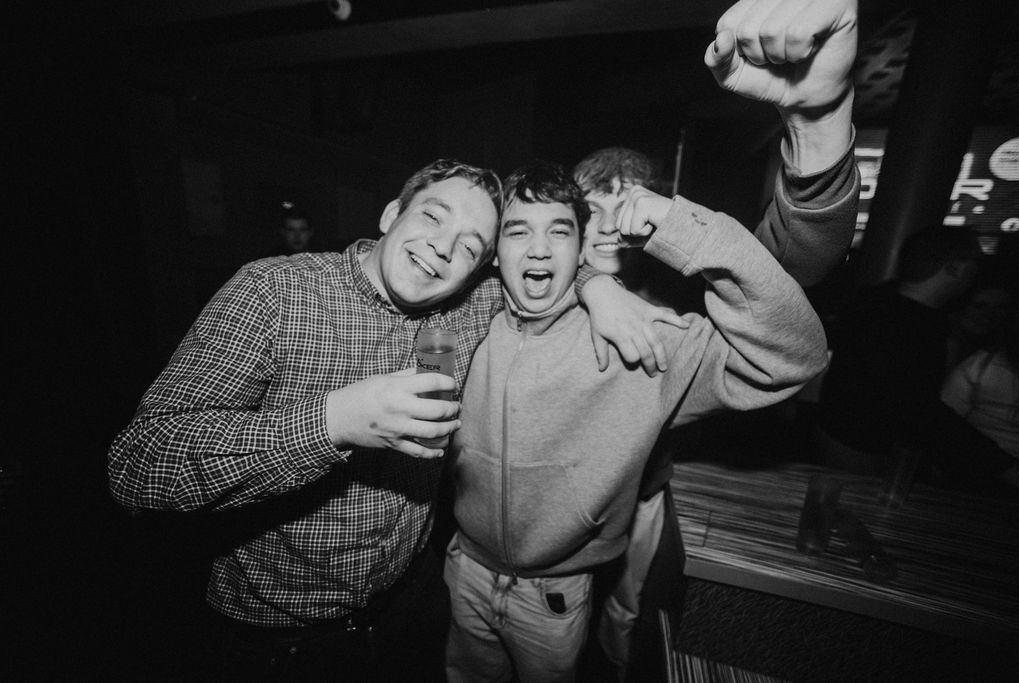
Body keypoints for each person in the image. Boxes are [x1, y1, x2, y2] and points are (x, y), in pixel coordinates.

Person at [106, 158, 674, 682]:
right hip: (282, 641)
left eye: (470, 246)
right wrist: (332, 422)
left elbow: (541, 262)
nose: (443, 248)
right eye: (433, 217)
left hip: (411, 609)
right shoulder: (276, 292)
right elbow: (138, 465)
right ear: (389, 215)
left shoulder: (465, 308)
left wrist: (600, 287)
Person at [443, 160, 829, 683]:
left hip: (554, 591)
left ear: (581, 245)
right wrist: (593, 283)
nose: (538, 249)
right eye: (518, 232)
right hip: (463, 567)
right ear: (494, 250)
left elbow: (795, 357)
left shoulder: (640, 337)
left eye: (559, 232)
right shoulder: (465, 321)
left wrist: (683, 227)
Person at [573, 0, 860, 674]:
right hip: (535, 518)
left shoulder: (683, 287)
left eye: (627, 202)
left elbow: (792, 262)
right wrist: (589, 284)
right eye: (592, 207)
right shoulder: (542, 278)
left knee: (626, 622)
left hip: (642, 497)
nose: (610, 223)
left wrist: (817, 125)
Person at [816, 226, 1019, 492]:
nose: (978, 271)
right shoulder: (901, 323)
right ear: (956, 267)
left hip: (854, 438)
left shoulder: (883, 303)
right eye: (975, 262)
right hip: (861, 447)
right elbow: (918, 408)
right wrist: (1004, 466)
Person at [942, 296, 1019, 491]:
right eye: (980, 306)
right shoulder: (977, 365)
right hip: (979, 471)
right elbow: (944, 420)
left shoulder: (980, 365)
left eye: (1000, 308)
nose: (989, 315)